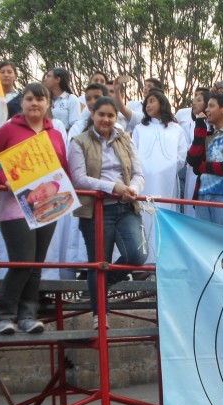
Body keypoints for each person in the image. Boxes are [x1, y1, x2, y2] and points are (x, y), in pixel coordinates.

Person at [0, 82, 70, 335]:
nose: (35, 103)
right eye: (30, 98)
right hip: (15, 208)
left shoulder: (55, 134)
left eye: (40, 99)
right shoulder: (8, 129)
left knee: (36, 264)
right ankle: (4, 314)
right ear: (22, 102)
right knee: (22, 262)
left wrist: (60, 192)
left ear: (48, 104)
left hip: (46, 207)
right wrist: (3, 181)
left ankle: (28, 315)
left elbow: (61, 171)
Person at [68, 96, 147, 329]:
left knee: (137, 255)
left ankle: (104, 283)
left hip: (126, 207)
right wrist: (113, 187)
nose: (106, 119)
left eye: (110, 115)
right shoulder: (79, 141)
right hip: (96, 209)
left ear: (116, 117)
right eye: (101, 114)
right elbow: (79, 179)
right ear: (92, 115)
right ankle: (99, 314)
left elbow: (139, 173)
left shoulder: (125, 139)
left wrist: (132, 189)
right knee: (98, 262)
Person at [132, 89, 187, 263]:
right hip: (144, 180)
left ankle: (163, 258)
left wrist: (165, 169)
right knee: (144, 215)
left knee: (164, 213)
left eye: (152, 101)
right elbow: (133, 152)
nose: (148, 105)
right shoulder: (140, 128)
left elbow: (181, 155)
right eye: (146, 103)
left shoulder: (175, 128)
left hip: (167, 181)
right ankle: (144, 258)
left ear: (162, 103)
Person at [186, 92, 223, 228]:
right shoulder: (206, 134)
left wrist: (202, 167)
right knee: (204, 244)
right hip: (202, 195)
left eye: (211, 106)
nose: (206, 110)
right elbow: (192, 160)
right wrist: (200, 128)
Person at [178, 90, 211, 217]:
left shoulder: (211, 125)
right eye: (194, 101)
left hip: (205, 170)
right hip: (191, 168)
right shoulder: (192, 124)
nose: (194, 104)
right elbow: (186, 145)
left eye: (199, 100)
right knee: (189, 203)